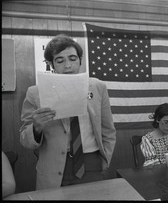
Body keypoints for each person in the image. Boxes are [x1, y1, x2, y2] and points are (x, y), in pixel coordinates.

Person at [19, 34, 116, 190]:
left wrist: (105, 160)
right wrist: (35, 128)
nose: (68, 66)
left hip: (92, 163)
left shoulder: (97, 87)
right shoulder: (35, 93)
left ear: (80, 60)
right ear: (51, 64)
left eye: (72, 58)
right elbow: (24, 139)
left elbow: (108, 130)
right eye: (60, 60)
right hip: (53, 167)